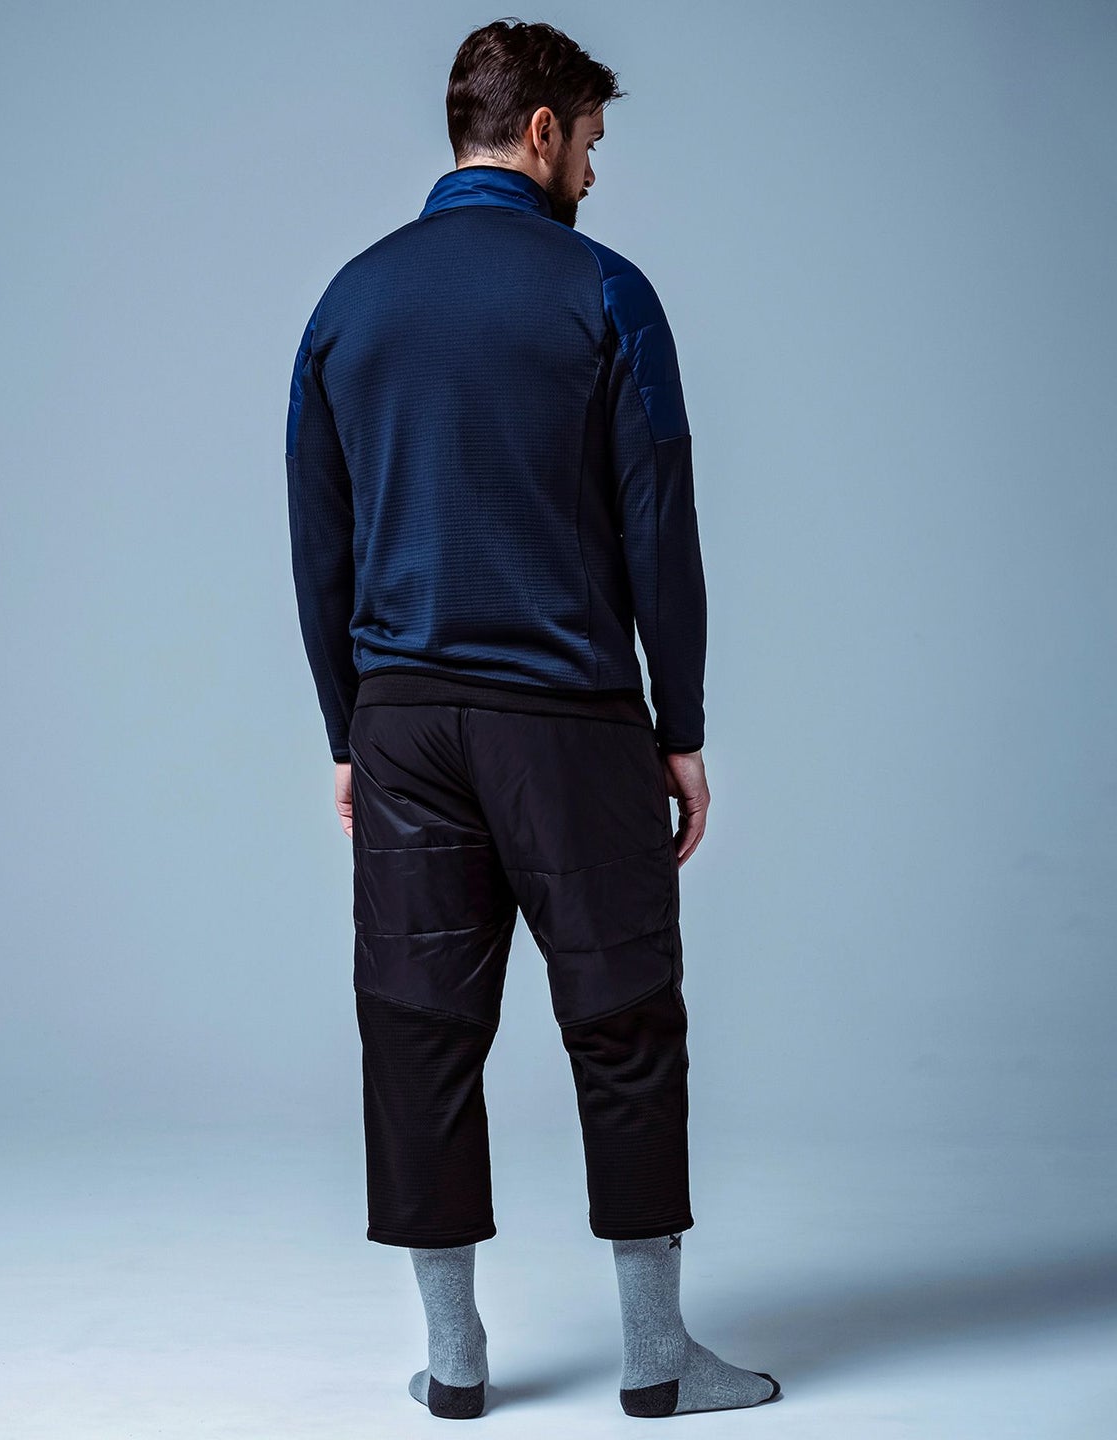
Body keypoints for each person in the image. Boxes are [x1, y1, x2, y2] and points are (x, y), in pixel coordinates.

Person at [285, 16, 782, 1421]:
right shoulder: (605, 290)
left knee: (417, 1028)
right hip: (568, 723)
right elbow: (661, 529)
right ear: (545, 131)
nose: (596, 176)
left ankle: (455, 1366)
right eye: (593, 145)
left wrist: (348, 732)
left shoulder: (348, 300)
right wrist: (679, 725)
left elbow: (317, 543)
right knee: (623, 1023)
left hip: (404, 726)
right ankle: (656, 1362)